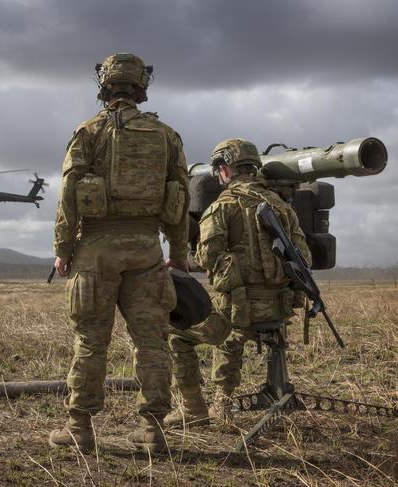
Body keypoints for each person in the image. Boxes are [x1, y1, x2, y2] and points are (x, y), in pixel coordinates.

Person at [49, 53, 190, 453]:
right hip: (147, 249)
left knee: (91, 341)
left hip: (95, 251)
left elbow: (68, 196)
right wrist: (178, 252)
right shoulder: (166, 135)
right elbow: (179, 198)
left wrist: (62, 249)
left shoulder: (88, 131)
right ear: (140, 87)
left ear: (105, 86)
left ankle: (79, 428)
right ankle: (153, 430)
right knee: (152, 341)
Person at [165, 138, 310, 428]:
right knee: (231, 328)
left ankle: (201, 408)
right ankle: (225, 400)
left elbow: (206, 256)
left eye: (218, 170)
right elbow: (303, 255)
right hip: (278, 309)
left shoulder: (222, 207)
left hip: (240, 310)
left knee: (178, 336)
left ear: (225, 169)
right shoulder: (282, 207)